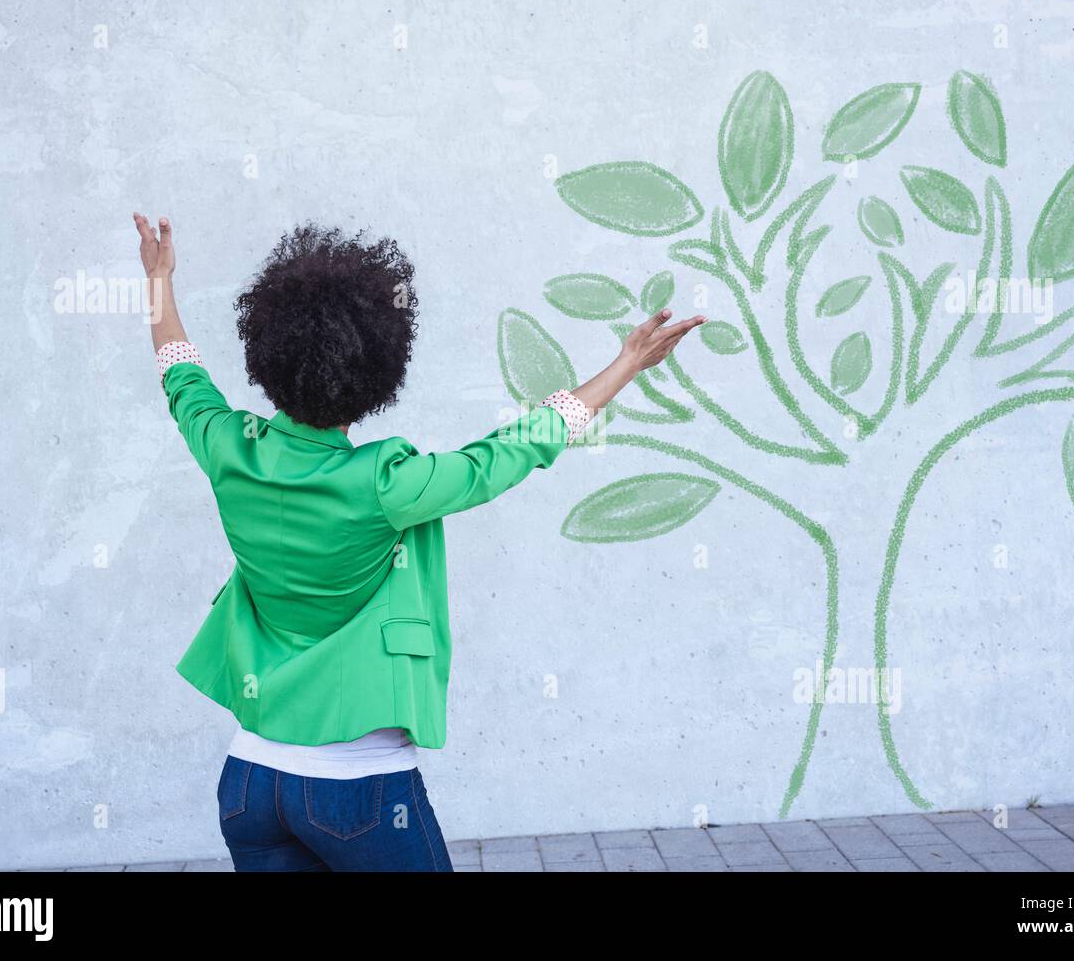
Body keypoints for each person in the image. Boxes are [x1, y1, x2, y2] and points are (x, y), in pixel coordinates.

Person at [133, 212, 705, 871]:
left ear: (267, 349)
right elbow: (514, 451)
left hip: (250, 784)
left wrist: (159, 280)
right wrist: (627, 362)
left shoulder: (228, 446)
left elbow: (179, 371)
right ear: (376, 366)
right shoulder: (388, 482)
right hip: (359, 791)